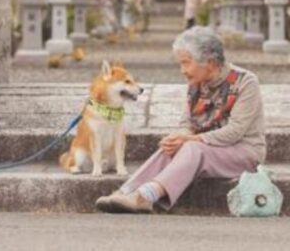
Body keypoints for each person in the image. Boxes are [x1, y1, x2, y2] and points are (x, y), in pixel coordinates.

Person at [95, 26, 266, 213]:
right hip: (204, 149)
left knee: (191, 146)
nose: (182, 70)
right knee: (173, 146)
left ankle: (144, 197)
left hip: (244, 153)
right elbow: (187, 124)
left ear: (209, 62)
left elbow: (235, 132)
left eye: (186, 63)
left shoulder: (245, 82)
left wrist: (189, 139)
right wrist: (179, 137)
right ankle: (126, 191)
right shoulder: (195, 84)